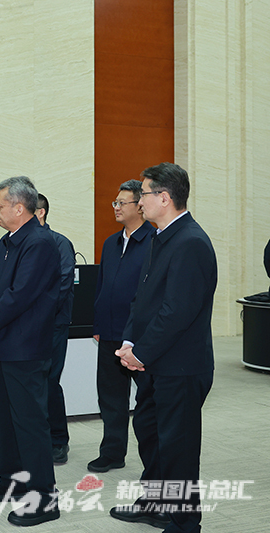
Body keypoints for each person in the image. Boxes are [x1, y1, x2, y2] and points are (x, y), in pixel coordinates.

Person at [110, 163, 217, 533]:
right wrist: (130, 341)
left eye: (144, 194)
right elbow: (144, 299)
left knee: (178, 449)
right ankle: (156, 504)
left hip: (181, 367)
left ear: (165, 198)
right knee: (152, 436)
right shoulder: (162, 237)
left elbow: (177, 312)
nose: (139, 202)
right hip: (157, 363)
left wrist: (140, 353)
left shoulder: (190, 242)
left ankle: (184, 523)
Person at [0, 176, 61, 527]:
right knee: (6, 420)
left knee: (30, 423)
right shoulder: (6, 242)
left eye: (0, 205)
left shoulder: (39, 243)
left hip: (25, 348)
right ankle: (12, 480)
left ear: (19, 208)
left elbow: (20, 295)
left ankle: (44, 498)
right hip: (0, 343)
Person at [88, 179, 154, 473]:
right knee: (111, 396)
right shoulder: (111, 243)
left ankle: (155, 460)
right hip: (110, 333)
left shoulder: (154, 241)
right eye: (115, 202)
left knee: (149, 399)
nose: (115, 207)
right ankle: (112, 453)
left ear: (140, 206)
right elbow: (102, 286)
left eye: (121, 203)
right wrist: (98, 322)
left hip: (140, 337)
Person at [34, 194, 75, 465]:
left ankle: (59, 440)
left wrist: (37, 315)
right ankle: (37, 438)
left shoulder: (60, 243)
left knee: (49, 382)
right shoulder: (16, 242)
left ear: (40, 212)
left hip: (52, 325)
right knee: (31, 384)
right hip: (26, 328)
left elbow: (63, 284)